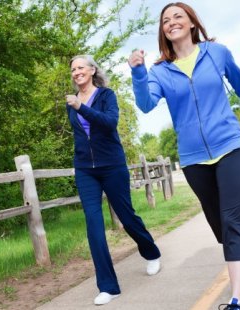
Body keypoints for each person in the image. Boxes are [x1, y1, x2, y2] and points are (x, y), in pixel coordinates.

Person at [128, 3, 240, 310]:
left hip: (229, 145)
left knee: (233, 217)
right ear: (163, 31)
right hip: (194, 158)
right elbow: (145, 104)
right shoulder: (159, 72)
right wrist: (138, 73)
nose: (172, 22)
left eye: (178, 16)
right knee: (217, 219)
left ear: (193, 23)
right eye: (166, 20)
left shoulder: (216, 53)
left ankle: (236, 298)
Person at [66, 55, 162, 306]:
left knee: (127, 217)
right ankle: (108, 286)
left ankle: (151, 252)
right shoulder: (71, 102)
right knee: (94, 226)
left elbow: (110, 124)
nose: (76, 72)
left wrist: (80, 107)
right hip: (86, 170)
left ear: (92, 70)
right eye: (73, 69)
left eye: (80, 67)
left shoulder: (106, 95)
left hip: (112, 166)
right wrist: (78, 163)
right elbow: (80, 137)